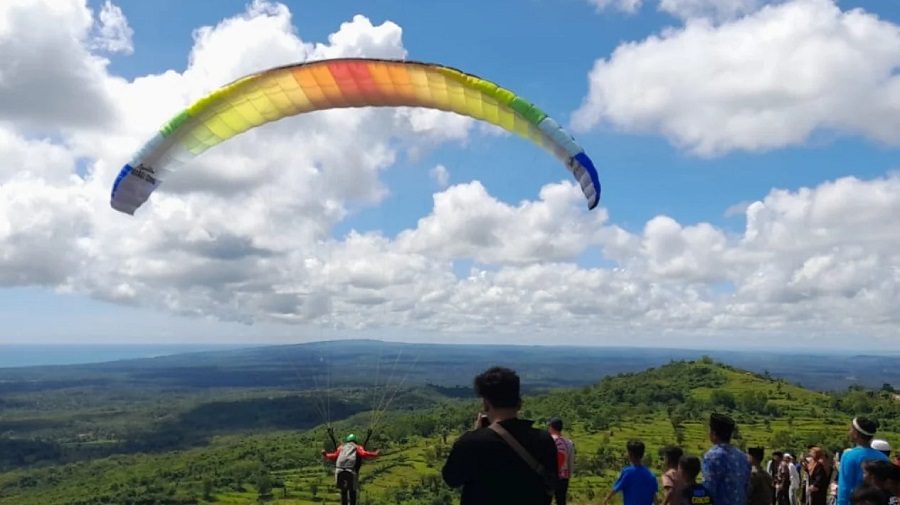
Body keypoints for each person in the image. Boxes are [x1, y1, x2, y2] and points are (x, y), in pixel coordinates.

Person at [442, 366, 558, 505]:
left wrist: (476, 433)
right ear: (519, 403)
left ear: (486, 405)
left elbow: (451, 479)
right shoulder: (544, 440)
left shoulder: (470, 443)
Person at [838, 417, 890, 505]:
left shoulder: (849, 456)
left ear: (856, 434)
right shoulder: (883, 457)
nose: (849, 431)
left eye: (851, 429)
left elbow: (844, 487)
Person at [702, 413, 751, 505]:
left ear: (713, 433)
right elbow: (746, 488)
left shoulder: (711, 456)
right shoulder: (742, 457)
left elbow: (708, 489)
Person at [321, 433, 382, 505]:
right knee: (352, 492)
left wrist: (325, 454)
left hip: (339, 472)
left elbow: (334, 456)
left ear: (347, 441)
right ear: (355, 441)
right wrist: (375, 454)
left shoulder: (341, 447)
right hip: (351, 472)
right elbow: (363, 454)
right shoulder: (357, 447)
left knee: (343, 492)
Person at [604, 439, 658, 505]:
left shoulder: (627, 472)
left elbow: (615, 489)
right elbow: (654, 498)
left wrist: (606, 499)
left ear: (630, 454)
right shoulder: (651, 475)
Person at [548, 417, 575, 505]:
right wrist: (568, 476)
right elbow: (570, 463)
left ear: (551, 427)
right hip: (563, 477)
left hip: (549, 477)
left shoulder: (547, 440)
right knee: (561, 501)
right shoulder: (569, 442)